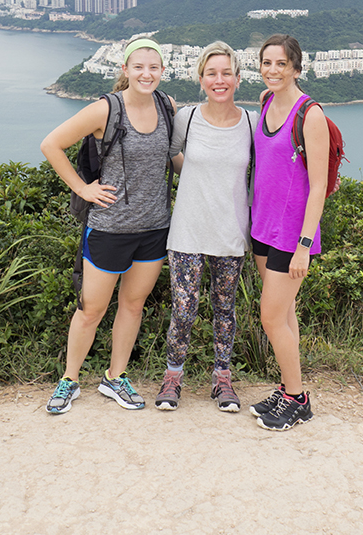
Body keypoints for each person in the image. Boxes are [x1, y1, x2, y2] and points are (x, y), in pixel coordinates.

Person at [39, 38, 176, 414]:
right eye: (139, 67)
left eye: (153, 67)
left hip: (154, 228)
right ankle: (69, 380)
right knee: (91, 310)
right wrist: (83, 188)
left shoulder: (167, 106)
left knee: (133, 306)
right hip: (109, 228)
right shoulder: (106, 109)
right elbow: (51, 144)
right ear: (125, 70)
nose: (146, 74)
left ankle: (115, 377)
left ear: (162, 71)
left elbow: (173, 157)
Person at [153, 41, 257, 413]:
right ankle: (173, 376)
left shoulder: (251, 122)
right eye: (211, 73)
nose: (219, 80)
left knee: (225, 308)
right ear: (201, 79)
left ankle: (222, 378)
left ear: (238, 78)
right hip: (188, 230)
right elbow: (171, 154)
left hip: (231, 230)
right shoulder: (188, 117)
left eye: (226, 73)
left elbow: (268, 164)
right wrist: (197, 174)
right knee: (184, 309)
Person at [248, 34, 328, 431]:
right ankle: (288, 388)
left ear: (296, 68)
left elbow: (319, 185)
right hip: (262, 228)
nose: (273, 70)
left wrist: (303, 246)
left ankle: (297, 399)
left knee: (270, 318)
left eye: (281, 63)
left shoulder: (310, 115)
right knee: (285, 314)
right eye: (267, 63)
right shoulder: (266, 102)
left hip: (292, 236)